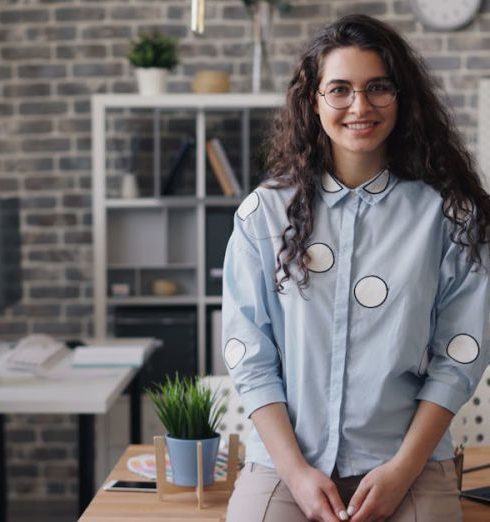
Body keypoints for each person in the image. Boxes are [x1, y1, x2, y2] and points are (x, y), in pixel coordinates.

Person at [221, 14, 490, 522]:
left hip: (405, 462)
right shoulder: (263, 214)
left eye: (378, 88)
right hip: (286, 462)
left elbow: (459, 357)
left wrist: (402, 471)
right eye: (340, 89)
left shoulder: (450, 215)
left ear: (401, 97)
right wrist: (297, 474)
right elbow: (249, 355)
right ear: (315, 100)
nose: (360, 107)